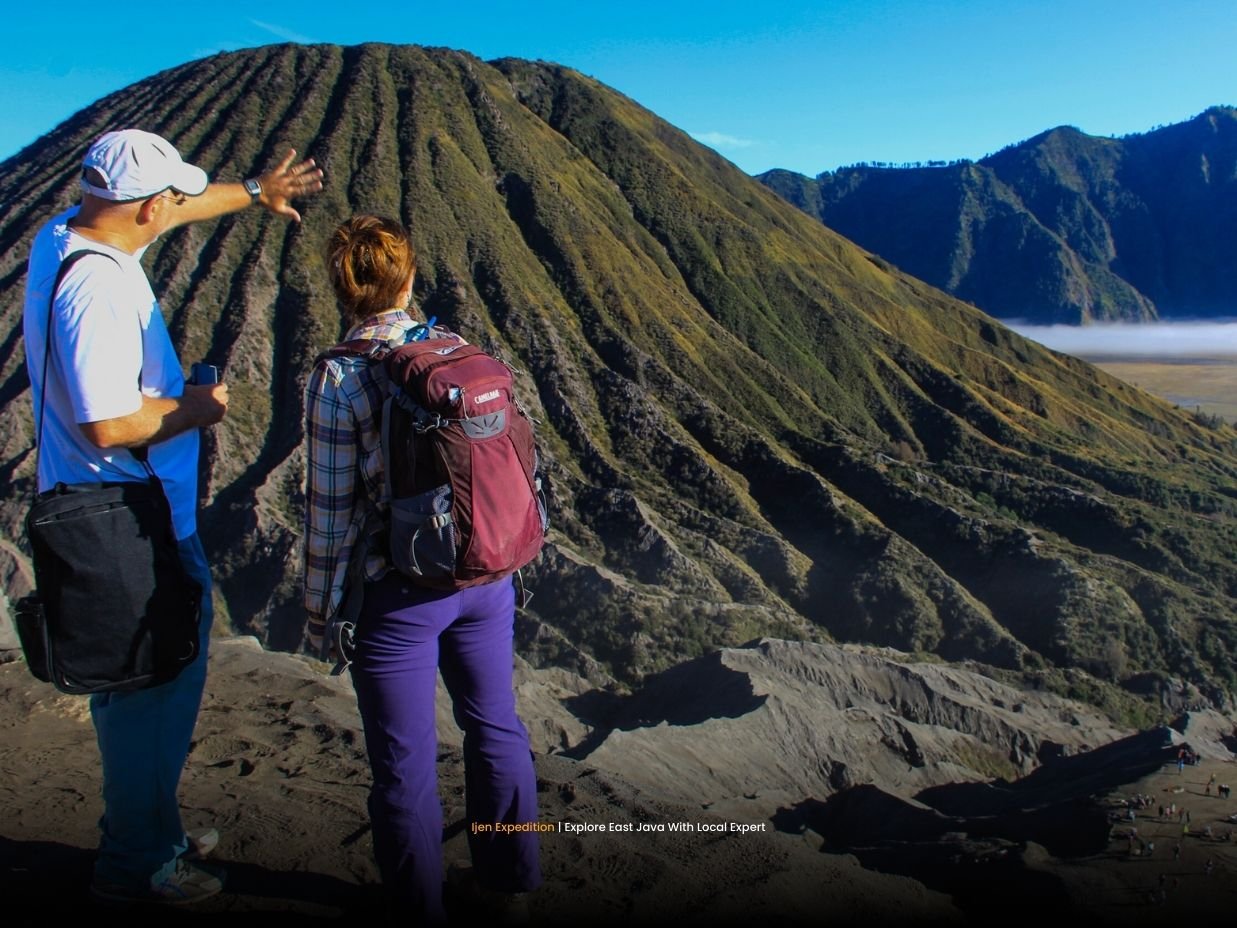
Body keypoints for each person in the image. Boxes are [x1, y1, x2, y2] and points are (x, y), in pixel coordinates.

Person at [22, 128, 323, 905]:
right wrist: (196, 409)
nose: (178, 208)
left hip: (117, 509)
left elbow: (176, 210)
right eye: (171, 199)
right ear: (148, 204)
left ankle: (151, 828)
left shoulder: (68, 236)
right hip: (125, 515)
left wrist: (255, 193)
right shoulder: (96, 288)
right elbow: (106, 422)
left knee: (148, 681)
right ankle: (137, 866)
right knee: (149, 686)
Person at [303, 215, 541, 923]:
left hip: (400, 597)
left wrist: (321, 617)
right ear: (409, 278)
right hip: (486, 579)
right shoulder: (460, 351)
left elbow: (330, 514)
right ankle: (511, 888)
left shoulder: (340, 376)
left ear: (343, 288)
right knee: (496, 729)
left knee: (403, 766)